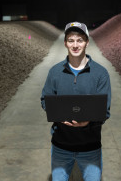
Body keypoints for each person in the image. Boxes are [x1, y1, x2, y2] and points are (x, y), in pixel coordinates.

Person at [41, 22, 111, 181]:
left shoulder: (100, 73)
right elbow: (45, 99)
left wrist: (88, 122)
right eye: (71, 40)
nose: (75, 44)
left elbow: (104, 110)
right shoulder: (55, 72)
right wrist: (59, 114)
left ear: (87, 42)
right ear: (65, 43)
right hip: (61, 146)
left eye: (80, 40)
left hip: (90, 147)